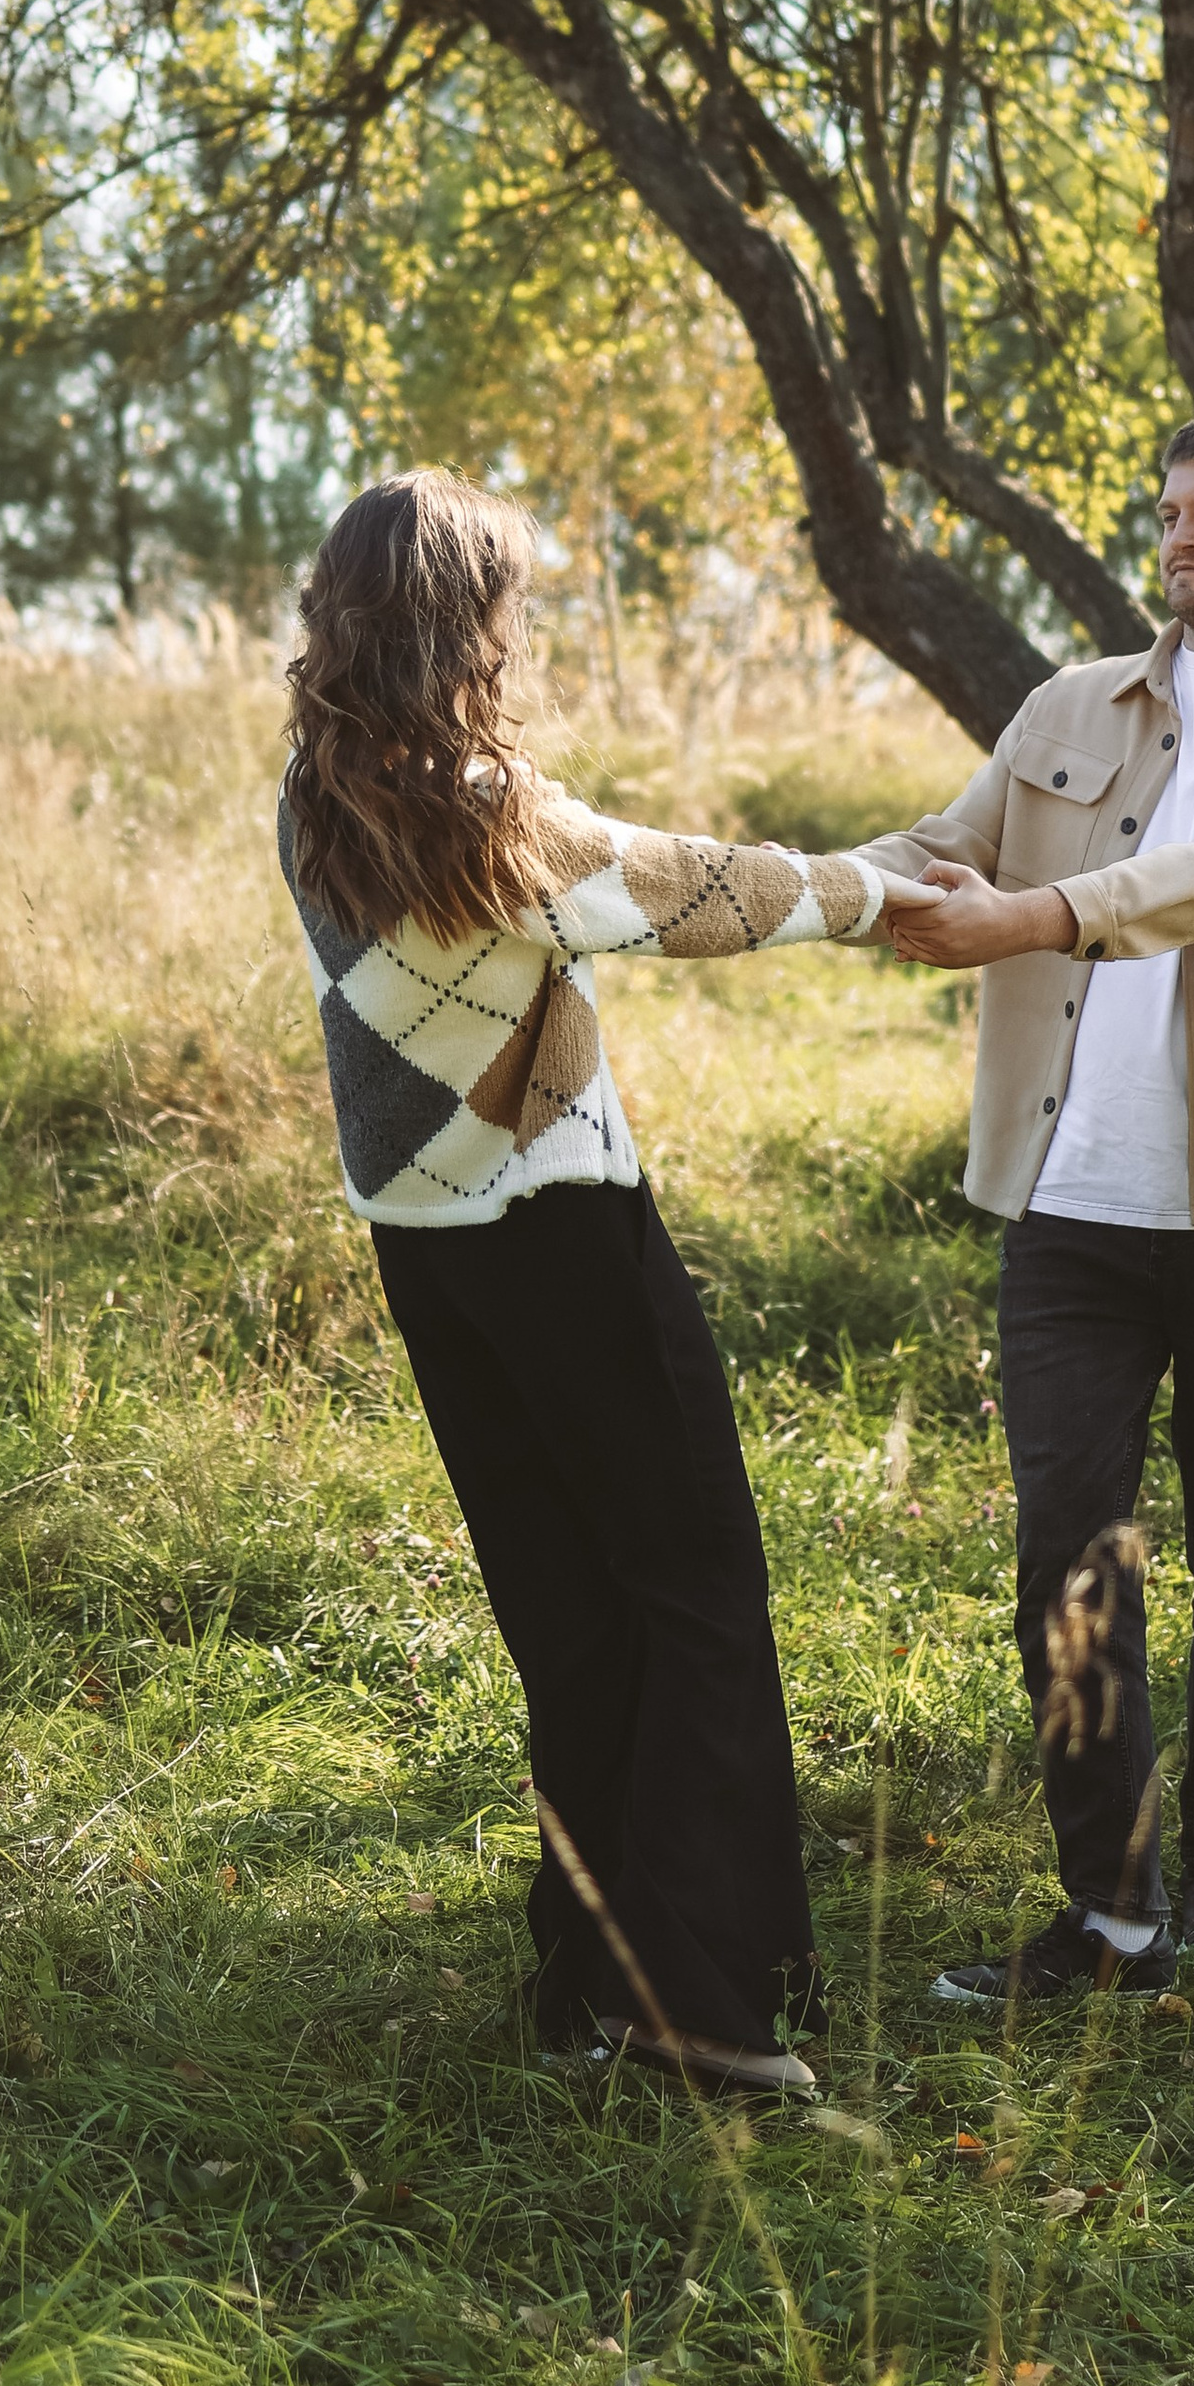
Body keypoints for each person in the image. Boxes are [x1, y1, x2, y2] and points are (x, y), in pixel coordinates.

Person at [277, 469, 891, 2096]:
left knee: (569, 1610)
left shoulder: (322, 795)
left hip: (428, 1247)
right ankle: (701, 2013)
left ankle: (590, 1984)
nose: (520, 622)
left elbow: (511, 965)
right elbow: (690, 892)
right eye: (508, 597)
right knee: (690, 1590)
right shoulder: (485, 796)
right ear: (456, 615)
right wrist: (889, 889)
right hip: (560, 1228)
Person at [868, 407, 1194, 2002]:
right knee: (1069, 1564)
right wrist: (760, 891)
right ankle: (1112, 1919)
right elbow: (939, 846)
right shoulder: (1069, 704)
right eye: (1170, 510)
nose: (1181, 537)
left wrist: (1033, 915)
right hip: (1071, 1214)